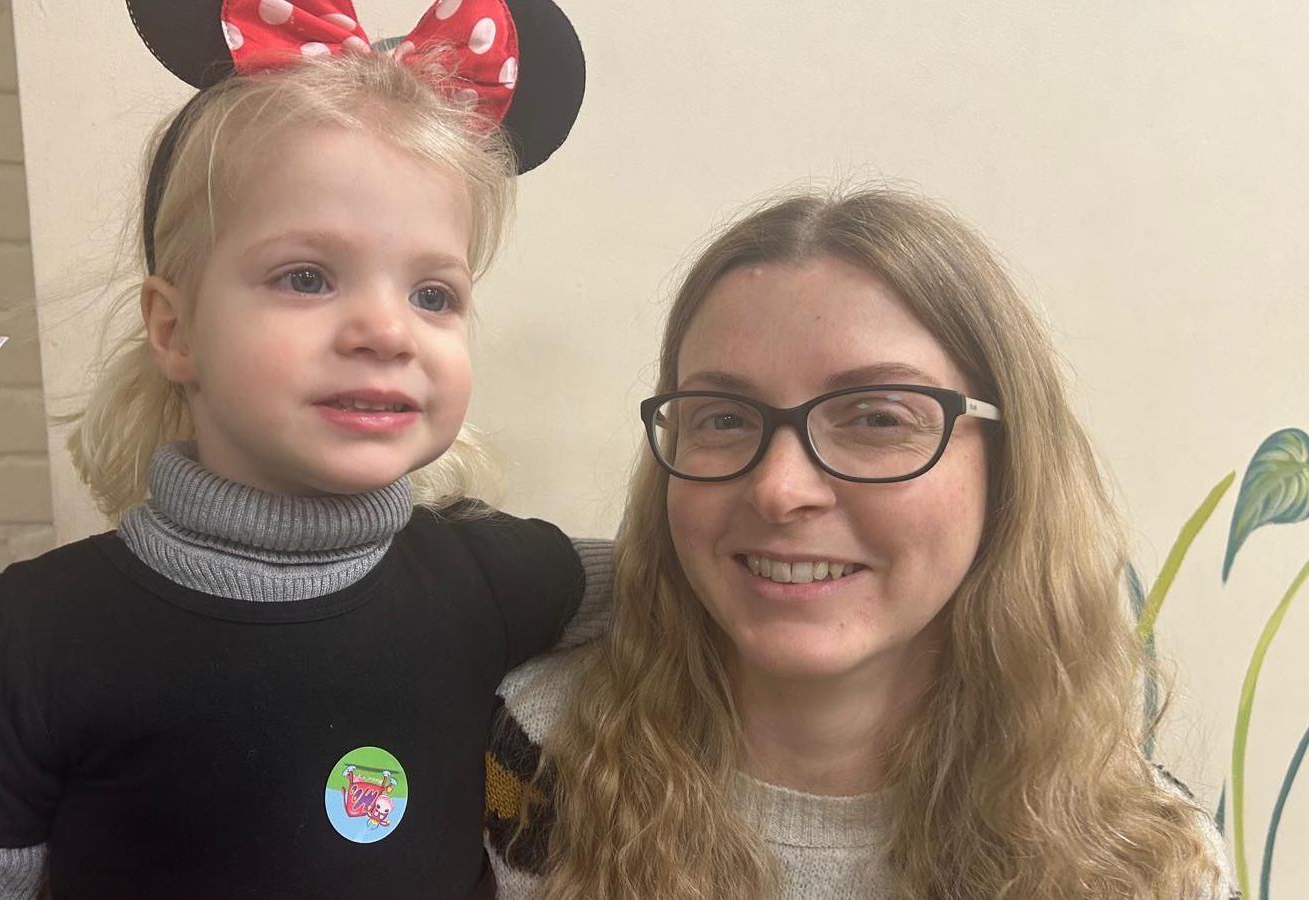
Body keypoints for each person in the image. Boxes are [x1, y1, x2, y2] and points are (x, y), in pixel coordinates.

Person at [0, 1, 604, 898]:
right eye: (306, 277)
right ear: (175, 330)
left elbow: (693, 581)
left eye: (435, 295)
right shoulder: (38, 634)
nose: (385, 328)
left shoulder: (490, 578)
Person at [485, 188, 1237, 899]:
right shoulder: (545, 751)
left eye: (877, 418)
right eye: (722, 417)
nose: (781, 490)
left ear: (1008, 466)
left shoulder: (1148, 862)